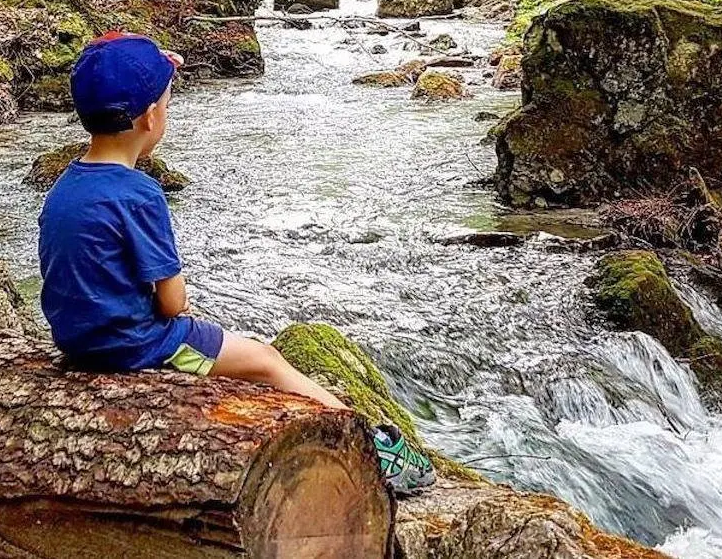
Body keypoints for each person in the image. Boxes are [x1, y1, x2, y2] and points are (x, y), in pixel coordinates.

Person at [37, 32, 434, 493]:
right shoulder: (139, 193)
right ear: (149, 117)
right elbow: (171, 303)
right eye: (167, 104)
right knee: (267, 360)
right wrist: (175, 313)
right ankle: (370, 446)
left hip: (77, 342)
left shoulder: (65, 185)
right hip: (132, 349)